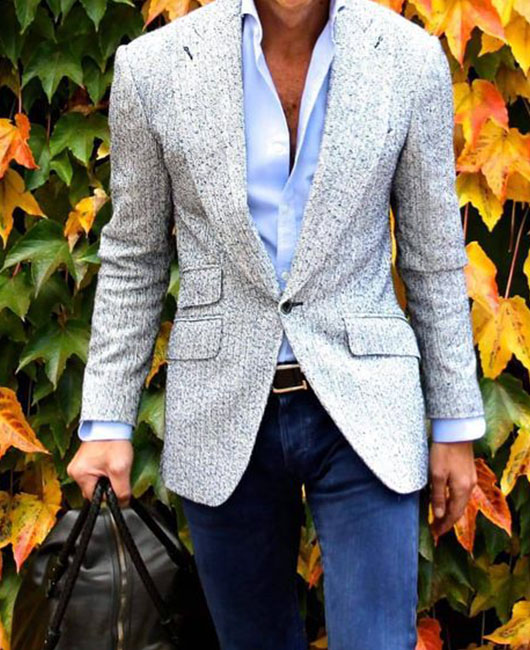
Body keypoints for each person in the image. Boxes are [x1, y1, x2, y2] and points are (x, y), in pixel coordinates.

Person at [67, 0, 486, 646]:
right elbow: (134, 256)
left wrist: (454, 423)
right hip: (222, 407)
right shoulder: (154, 69)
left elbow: (433, 256)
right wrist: (106, 422)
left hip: (366, 404)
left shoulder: (409, 61)